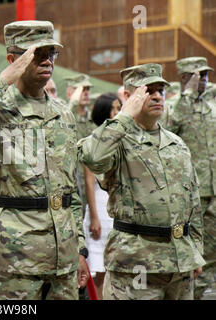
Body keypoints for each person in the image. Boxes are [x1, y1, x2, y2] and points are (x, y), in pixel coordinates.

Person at [0, 20, 89, 300]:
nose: (47, 60)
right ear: (13, 60)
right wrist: (1, 81)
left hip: (63, 257)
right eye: (37, 54)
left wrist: (80, 249)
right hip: (14, 258)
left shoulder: (63, 114)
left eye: (51, 53)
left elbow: (70, 191)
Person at [78, 63, 205, 300]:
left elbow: (193, 202)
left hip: (179, 263)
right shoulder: (116, 139)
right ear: (129, 96)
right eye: (149, 90)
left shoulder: (176, 144)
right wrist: (125, 114)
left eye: (161, 90)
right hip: (136, 263)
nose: (157, 96)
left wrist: (195, 250)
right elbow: (92, 158)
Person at [167, 56, 215, 299]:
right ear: (185, 78)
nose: (205, 81)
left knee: (213, 252)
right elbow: (168, 130)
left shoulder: (210, 105)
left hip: (214, 190)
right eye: (200, 76)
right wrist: (186, 95)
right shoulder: (174, 106)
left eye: (206, 76)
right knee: (191, 251)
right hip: (190, 192)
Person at [82, 93, 121, 300]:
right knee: (99, 268)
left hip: (117, 207)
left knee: (117, 267)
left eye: (119, 107)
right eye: (113, 108)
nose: (117, 112)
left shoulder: (121, 137)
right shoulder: (93, 139)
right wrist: (94, 217)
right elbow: (89, 181)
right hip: (99, 206)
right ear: (104, 111)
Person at [64, 74, 97, 218]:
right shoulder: (65, 117)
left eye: (88, 89)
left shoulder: (93, 121)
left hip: (89, 186)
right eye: (81, 89)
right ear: (70, 93)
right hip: (69, 187)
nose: (86, 92)